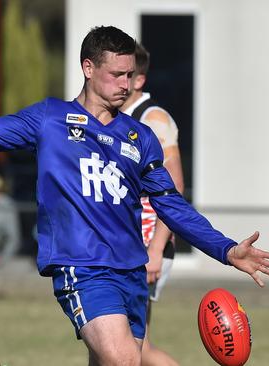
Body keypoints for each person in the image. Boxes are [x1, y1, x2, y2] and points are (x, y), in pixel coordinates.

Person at [0, 26, 269, 365]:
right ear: (88, 68)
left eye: (131, 75)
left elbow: (172, 204)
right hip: (83, 267)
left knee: (114, 361)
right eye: (116, 74)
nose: (126, 84)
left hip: (130, 271)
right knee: (123, 359)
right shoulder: (50, 119)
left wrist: (226, 250)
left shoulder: (141, 137)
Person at [120, 43, 181, 366]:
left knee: (133, 348)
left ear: (138, 80)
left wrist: (156, 248)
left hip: (148, 241)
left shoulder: (152, 119)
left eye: (122, 74)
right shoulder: (119, 117)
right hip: (129, 241)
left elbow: (174, 187)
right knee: (118, 343)